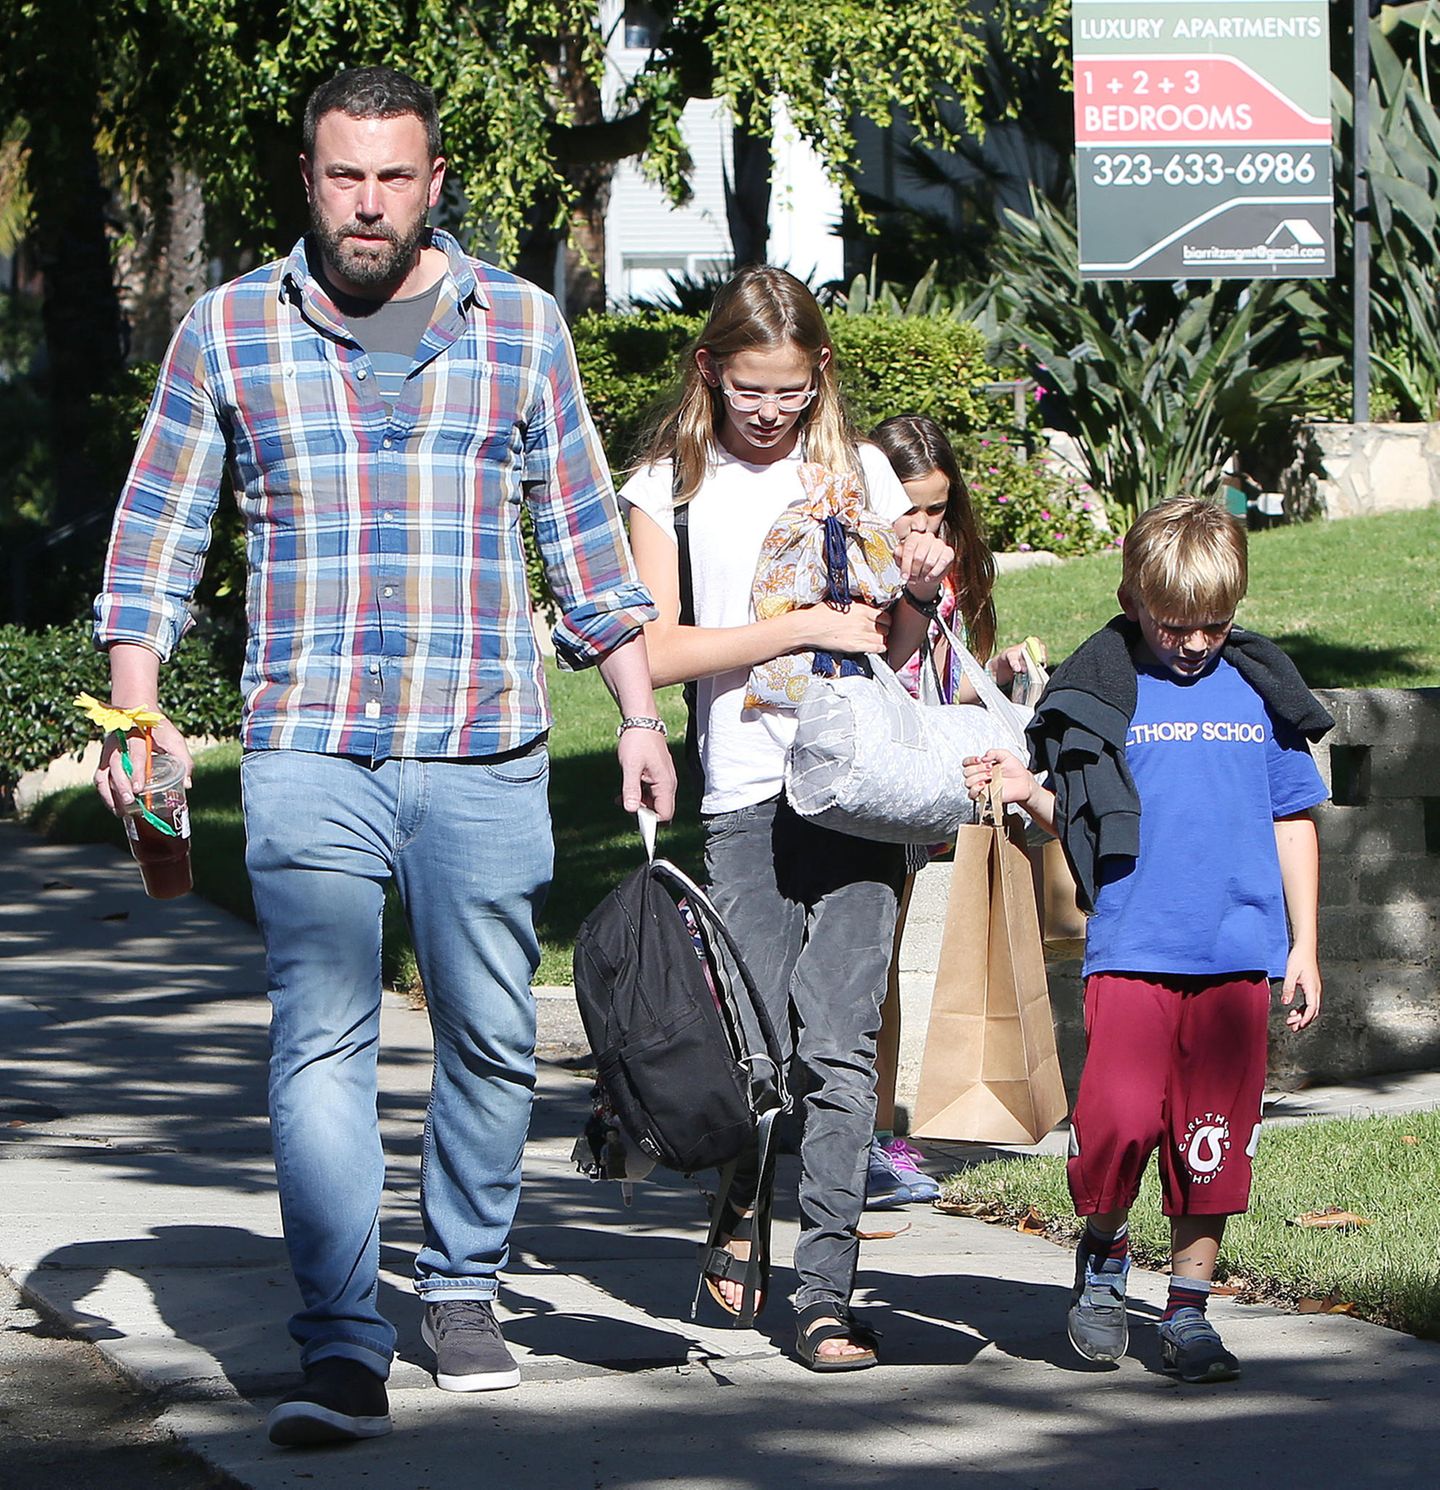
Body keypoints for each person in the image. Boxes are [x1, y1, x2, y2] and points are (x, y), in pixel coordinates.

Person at [91, 65, 675, 1446]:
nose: (368, 203)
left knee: (487, 1030)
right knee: (321, 1038)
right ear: (308, 176)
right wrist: (138, 708)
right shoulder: (228, 329)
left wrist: (640, 715)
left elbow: (584, 539)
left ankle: (461, 1282)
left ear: (434, 178)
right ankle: (343, 1335)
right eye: (344, 175)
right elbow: (154, 539)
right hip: (309, 744)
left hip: (485, 743)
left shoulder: (522, 326)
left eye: (393, 176)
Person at [620, 267, 951, 1371]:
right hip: (744, 790)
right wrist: (792, 625)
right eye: (753, 389)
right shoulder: (668, 483)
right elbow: (656, 649)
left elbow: (894, 647)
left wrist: (914, 589)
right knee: (757, 1049)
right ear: (710, 369)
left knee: (839, 1050)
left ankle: (825, 1292)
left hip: (856, 790)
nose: (772, 412)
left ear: (821, 381)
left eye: (794, 393)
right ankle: (738, 1201)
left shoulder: (856, 471)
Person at [963, 495, 1330, 1383]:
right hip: (1132, 947)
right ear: (1133, 600)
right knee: (1119, 1123)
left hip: (1238, 954)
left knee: (1211, 1138)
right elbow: (1081, 824)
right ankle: (1103, 1247)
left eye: (1214, 623)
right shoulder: (1104, 691)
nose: (1197, 642)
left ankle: (1190, 1311)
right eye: (1176, 624)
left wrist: (1304, 946)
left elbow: (1293, 819)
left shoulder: (1258, 691)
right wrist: (1023, 785)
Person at [862, 414, 1038, 1209]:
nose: (926, 526)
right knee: (856, 967)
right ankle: (852, 1130)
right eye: (910, 508)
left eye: (938, 509)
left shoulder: (951, 574)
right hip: (860, 777)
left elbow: (930, 687)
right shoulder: (859, 563)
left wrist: (989, 674)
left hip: (915, 789)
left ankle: (872, 1133)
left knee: (883, 965)